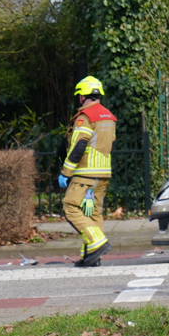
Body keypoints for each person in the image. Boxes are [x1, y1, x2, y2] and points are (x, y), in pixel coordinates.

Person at [59, 76, 116, 267]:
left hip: (86, 173)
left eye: (79, 96)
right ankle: (92, 256)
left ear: (83, 96)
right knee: (92, 212)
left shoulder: (85, 117)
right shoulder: (108, 115)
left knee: (70, 206)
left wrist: (66, 172)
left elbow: (79, 145)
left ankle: (98, 243)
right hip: (103, 173)